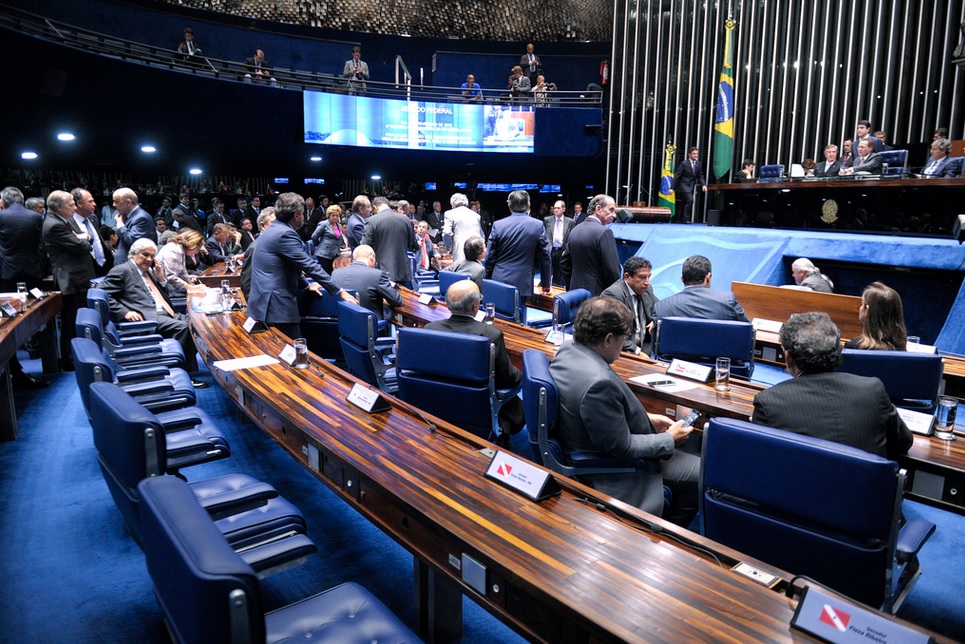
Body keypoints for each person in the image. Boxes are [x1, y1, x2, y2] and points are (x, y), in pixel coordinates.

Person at [550, 297, 699, 523]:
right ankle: (673, 532)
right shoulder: (599, 383)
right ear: (609, 339)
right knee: (705, 473)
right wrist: (669, 439)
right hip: (620, 466)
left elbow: (592, 413)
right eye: (624, 337)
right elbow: (620, 446)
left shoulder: (568, 350)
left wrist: (646, 418)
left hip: (594, 437)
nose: (625, 343)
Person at [752, 312, 912, 460]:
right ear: (838, 351)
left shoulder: (769, 403)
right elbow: (903, 442)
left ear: (788, 357)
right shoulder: (872, 390)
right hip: (864, 490)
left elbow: (760, 461)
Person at [425, 280, 524, 443]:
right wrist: (523, 375)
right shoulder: (491, 335)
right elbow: (507, 378)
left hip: (438, 404)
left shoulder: (430, 329)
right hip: (478, 408)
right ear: (475, 306)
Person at [248, 193, 355, 339]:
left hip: (264, 303)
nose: (304, 217)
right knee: (293, 352)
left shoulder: (273, 229)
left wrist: (305, 284)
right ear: (296, 215)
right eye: (303, 213)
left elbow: (287, 265)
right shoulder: (284, 234)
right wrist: (340, 291)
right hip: (277, 306)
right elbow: (309, 265)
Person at [101, 238, 205, 384]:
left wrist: (161, 278)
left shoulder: (148, 271)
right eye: (145, 255)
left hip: (164, 312)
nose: (149, 259)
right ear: (133, 254)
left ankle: (189, 367)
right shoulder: (122, 270)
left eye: (152, 256)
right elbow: (102, 294)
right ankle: (181, 372)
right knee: (182, 328)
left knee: (195, 322)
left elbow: (158, 294)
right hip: (148, 316)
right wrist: (124, 312)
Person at [42, 190, 95, 370]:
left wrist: (82, 238)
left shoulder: (62, 220)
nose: (74, 207)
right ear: (59, 207)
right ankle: (70, 360)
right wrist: (84, 238)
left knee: (76, 319)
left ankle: (75, 357)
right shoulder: (54, 225)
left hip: (77, 277)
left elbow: (84, 240)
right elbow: (83, 245)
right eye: (71, 205)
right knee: (72, 321)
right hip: (71, 279)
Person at [483, 189, 552, 300]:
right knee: (519, 314)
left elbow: (490, 256)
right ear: (528, 205)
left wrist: (485, 279)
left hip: (499, 280)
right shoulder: (538, 225)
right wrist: (546, 283)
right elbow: (545, 256)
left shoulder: (498, 225)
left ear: (509, 206)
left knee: (498, 316)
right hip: (523, 282)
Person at [653, 255, 748, 321]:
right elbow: (747, 331)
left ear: (682, 278)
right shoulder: (728, 300)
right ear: (708, 277)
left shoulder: (661, 307)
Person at [559, 194, 621, 296]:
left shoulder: (575, 230)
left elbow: (564, 263)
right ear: (598, 209)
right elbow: (612, 270)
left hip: (575, 294)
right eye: (611, 210)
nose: (614, 215)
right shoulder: (604, 233)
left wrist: (574, 284)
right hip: (597, 296)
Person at [601, 256, 658, 355]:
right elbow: (612, 333)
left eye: (649, 277)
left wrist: (655, 319)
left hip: (646, 347)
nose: (647, 282)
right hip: (622, 351)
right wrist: (637, 352)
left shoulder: (647, 290)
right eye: (642, 277)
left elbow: (660, 307)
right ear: (627, 277)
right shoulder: (613, 295)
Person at [332, 244, 402, 319]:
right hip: (369, 325)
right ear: (372, 257)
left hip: (341, 324)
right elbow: (397, 301)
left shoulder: (335, 273)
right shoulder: (377, 275)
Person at [361, 196, 419, 286]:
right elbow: (410, 243)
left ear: (375, 207)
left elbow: (365, 247)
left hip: (381, 271)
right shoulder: (406, 220)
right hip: (403, 270)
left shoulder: (371, 221)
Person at [845, 282, 907, 350]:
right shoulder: (901, 348)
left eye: (862, 303)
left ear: (867, 310)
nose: (860, 307)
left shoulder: (853, 347)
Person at [70, 187, 111, 276]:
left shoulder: (93, 218)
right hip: (84, 272)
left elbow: (99, 241)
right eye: (90, 201)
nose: (94, 204)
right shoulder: (68, 223)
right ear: (79, 203)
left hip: (104, 269)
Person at [112, 188, 156, 265]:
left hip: (132, 268)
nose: (114, 205)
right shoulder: (127, 216)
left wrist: (120, 225)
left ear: (128, 202)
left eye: (116, 201)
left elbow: (133, 241)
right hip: (126, 265)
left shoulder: (142, 218)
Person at [155, 229, 206, 296]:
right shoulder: (174, 250)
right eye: (198, 248)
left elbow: (183, 271)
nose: (198, 251)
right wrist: (191, 288)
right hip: (166, 290)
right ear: (192, 244)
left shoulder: (180, 249)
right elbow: (171, 277)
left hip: (171, 288)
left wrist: (191, 283)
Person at [240, 208, 275, 300]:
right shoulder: (255, 248)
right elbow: (247, 281)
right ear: (263, 226)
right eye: (274, 224)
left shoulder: (278, 244)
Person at [443, 192, 483, 266]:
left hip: (459, 250)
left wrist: (448, 249)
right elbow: (482, 236)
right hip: (476, 251)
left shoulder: (449, 213)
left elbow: (446, 233)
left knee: (460, 274)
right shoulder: (476, 215)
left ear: (453, 204)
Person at [670, 147, 707, 223]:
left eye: (697, 154)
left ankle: (679, 218)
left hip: (691, 185)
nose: (696, 155)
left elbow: (700, 175)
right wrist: (672, 188)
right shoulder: (684, 163)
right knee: (690, 200)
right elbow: (677, 176)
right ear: (689, 155)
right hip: (683, 185)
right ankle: (686, 219)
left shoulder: (698, 163)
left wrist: (703, 184)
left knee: (684, 202)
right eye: (694, 154)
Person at [544, 199, 574, 286]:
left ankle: (555, 288)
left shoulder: (570, 222)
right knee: (546, 271)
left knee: (558, 273)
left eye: (558, 208)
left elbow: (571, 237)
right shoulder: (547, 220)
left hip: (562, 250)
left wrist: (567, 250)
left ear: (563, 209)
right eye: (554, 208)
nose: (556, 210)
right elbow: (545, 235)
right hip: (551, 249)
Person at [311, 204, 347, 274]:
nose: (335, 217)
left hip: (335, 254)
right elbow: (314, 236)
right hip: (324, 255)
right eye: (333, 215)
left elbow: (339, 238)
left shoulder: (339, 225)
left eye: (337, 215)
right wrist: (320, 244)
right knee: (325, 275)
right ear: (329, 215)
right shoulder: (324, 224)